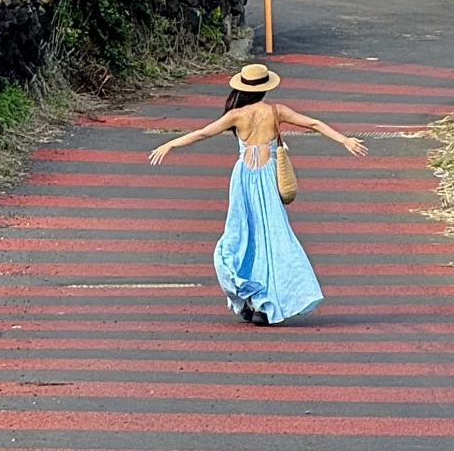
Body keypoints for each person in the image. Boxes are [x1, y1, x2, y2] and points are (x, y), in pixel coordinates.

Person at [149, 62, 368, 324]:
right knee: (272, 237)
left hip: (243, 177)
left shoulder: (236, 115)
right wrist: (344, 139)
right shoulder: (276, 111)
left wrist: (171, 143)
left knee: (240, 234)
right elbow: (313, 123)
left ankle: (248, 298)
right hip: (267, 178)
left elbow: (202, 133)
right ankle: (265, 303)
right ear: (265, 88)